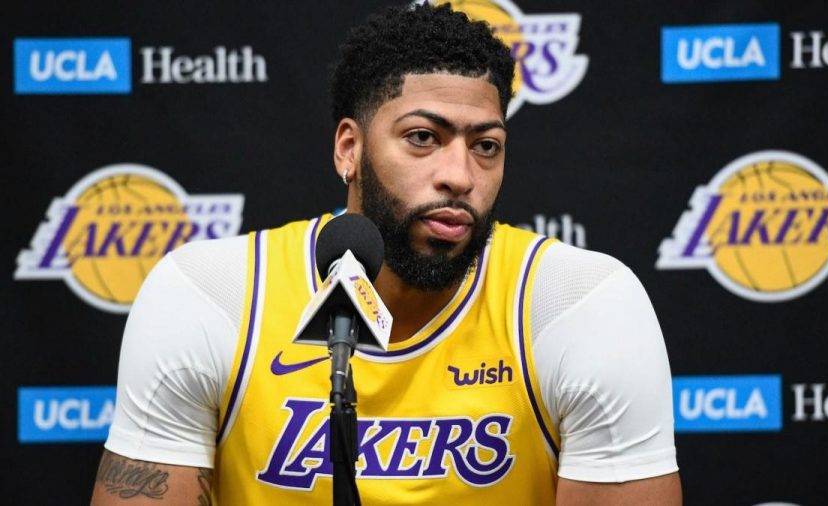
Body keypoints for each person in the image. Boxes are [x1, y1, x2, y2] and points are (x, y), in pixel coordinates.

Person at [91, 3, 680, 505]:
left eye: (487, 146)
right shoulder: (213, 296)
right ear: (349, 148)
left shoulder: (577, 305)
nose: (459, 175)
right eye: (423, 138)